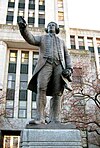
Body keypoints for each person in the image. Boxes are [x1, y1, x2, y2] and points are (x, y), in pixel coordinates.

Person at [18, 17, 73, 125]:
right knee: (41, 88)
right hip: (45, 65)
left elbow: (67, 56)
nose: (51, 26)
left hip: (59, 67)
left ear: (57, 28)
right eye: (49, 25)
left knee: (58, 92)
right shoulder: (42, 38)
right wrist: (23, 28)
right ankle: (40, 118)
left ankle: (55, 119)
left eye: (53, 25)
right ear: (47, 29)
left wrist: (69, 68)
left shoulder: (62, 42)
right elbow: (31, 39)